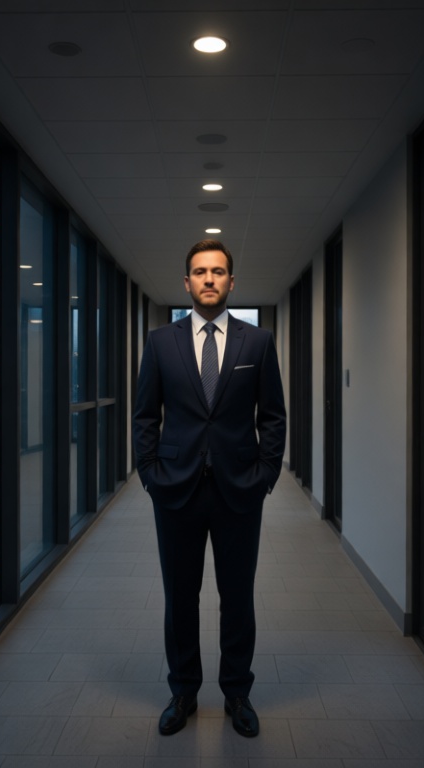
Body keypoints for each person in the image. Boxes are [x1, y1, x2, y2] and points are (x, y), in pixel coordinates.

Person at [132, 239, 287, 737]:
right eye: (199, 271)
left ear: (231, 282)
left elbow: (274, 416)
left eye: (218, 271)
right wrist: (151, 476)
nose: (209, 279)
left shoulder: (257, 343)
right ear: (187, 282)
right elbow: (144, 417)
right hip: (174, 491)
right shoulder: (160, 342)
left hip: (239, 490)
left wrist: (265, 474)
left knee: (237, 596)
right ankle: (183, 691)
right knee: (180, 596)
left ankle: (237, 693)